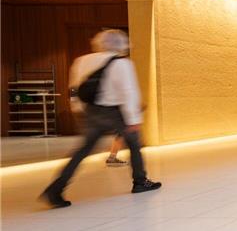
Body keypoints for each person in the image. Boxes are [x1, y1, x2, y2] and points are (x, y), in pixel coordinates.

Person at [41, 29, 161, 208]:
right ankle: (140, 181)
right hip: (115, 111)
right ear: (121, 44)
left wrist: (79, 110)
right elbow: (128, 92)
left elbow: (75, 89)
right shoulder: (122, 63)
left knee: (82, 150)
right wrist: (133, 118)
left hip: (91, 111)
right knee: (135, 145)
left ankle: (55, 189)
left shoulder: (82, 61)